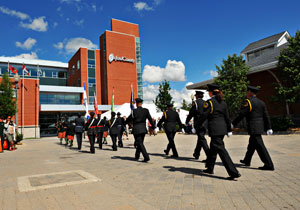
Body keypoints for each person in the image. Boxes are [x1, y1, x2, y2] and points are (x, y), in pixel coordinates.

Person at [202, 84, 241, 180]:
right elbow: (227, 118)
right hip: (222, 129)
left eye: (209, 92)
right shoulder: (223, 103)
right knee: (213, 149)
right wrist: (228, 129)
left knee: (221, 150)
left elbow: (203, 116)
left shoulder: (210, 103)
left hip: (215, 130)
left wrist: (197, 126)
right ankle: (210, 168)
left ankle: (233, 172)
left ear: (211, 92)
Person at [232, 85, 274, 170]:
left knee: (260, 146)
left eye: (247, 92)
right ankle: (247, 160)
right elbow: (266, 116)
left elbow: (241, 114)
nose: (246, 93)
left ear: (250, 92)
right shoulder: (261, 102)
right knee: (252, 144)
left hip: (253, 127)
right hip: (259, 127)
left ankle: (269, 164)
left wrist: (232, 124)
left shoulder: (249, 102)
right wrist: (269, 127)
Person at [126, 98, 155, 162]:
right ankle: (137, 155)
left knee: (139, 143)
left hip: (136, 129)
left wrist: (125, 122)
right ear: (141, 103)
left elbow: (128, 119)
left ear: (136, 104)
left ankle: (146, 157)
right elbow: (150, 119)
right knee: (140, 142)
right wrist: (153, 127)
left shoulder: (134, 111)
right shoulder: (146, 110)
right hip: (143, 128)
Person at [186, 90, 210, 161]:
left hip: (198, 124)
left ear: (196, 96)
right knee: (200, 139)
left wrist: (187, 121)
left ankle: (209, 156)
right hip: (205, 124)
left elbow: (191, 113)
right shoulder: (206, 103)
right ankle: (196, 153)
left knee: (202, 139)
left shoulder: (195, 103)